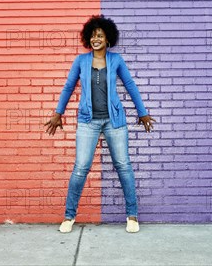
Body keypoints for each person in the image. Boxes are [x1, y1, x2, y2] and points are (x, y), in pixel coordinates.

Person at [44, 15, 155, 234]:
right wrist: (58, 113)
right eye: (93, 36)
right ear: (89, 38)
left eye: (101, 36)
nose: (97, 39)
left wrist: (142, 113)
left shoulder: (116, 60)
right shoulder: (81, 61)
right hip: (88, 121)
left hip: (114, 121)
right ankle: (69, 216)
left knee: (123, 166)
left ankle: (132, 216)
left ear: (107, 39)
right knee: (81, 168)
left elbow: (130, 85)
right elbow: (68, 87)